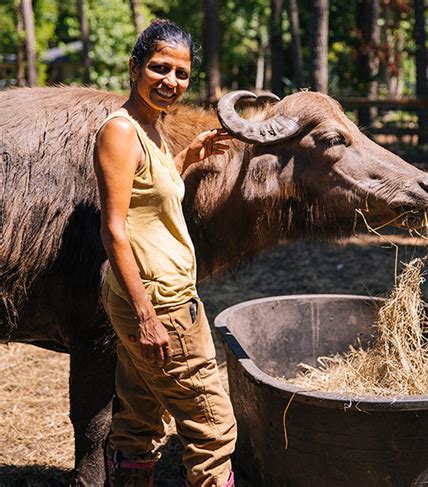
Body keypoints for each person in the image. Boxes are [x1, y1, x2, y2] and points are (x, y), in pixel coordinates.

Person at [93, 19, 237, 487]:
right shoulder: (119, 132)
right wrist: (146, 316)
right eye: (159, 68)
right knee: (214, 432)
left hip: (151, 298)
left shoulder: (149, 128)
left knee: (138, 421)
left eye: (181, 74)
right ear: (134, 68)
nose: (170, 82)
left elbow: (148, 189)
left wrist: (189, 156)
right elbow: (113, 229)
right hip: (161, 305)